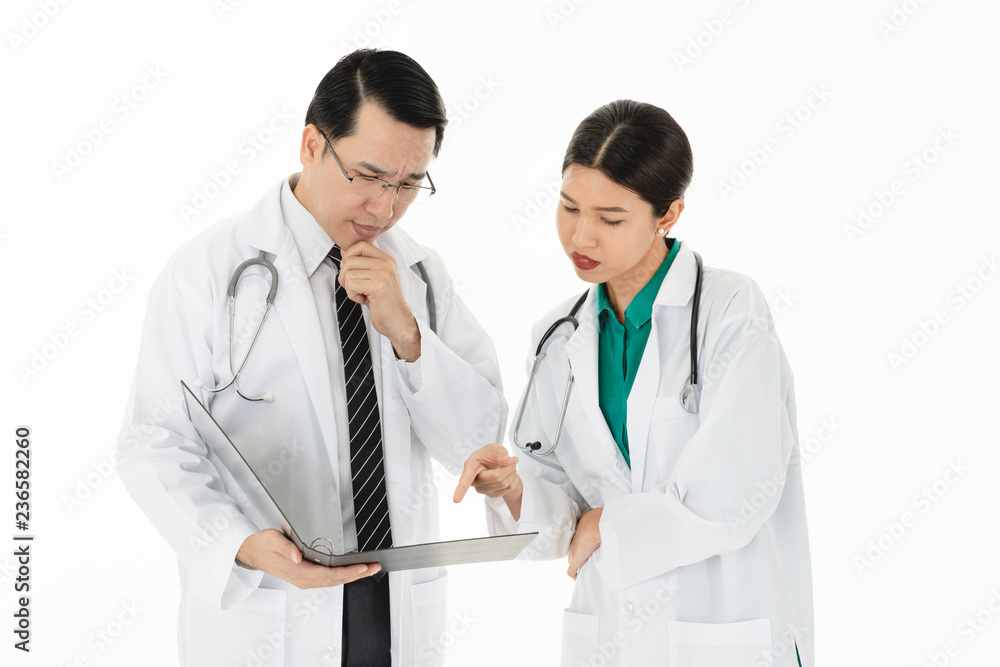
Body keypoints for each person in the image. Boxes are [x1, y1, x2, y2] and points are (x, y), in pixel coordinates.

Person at [117, 49, 506, 667]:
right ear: (311, 145)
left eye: (410, 183)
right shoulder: (206, 271)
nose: (385, 207)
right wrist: (239, 543)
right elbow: (154, 442)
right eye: (369, 175)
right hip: (268, 607)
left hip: (393, 609)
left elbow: (477, 444)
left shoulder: (421, 275)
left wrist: (408, 335)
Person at [454, 100, 812, 666]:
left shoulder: (729, 310)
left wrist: (608, 524)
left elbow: (736, 490)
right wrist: (511, 488)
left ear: (668, 215)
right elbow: (559, 500)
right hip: (610, 631)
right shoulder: (557, 335)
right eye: (569, 207)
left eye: (611, 218)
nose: (581, 236)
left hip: (722, 626)